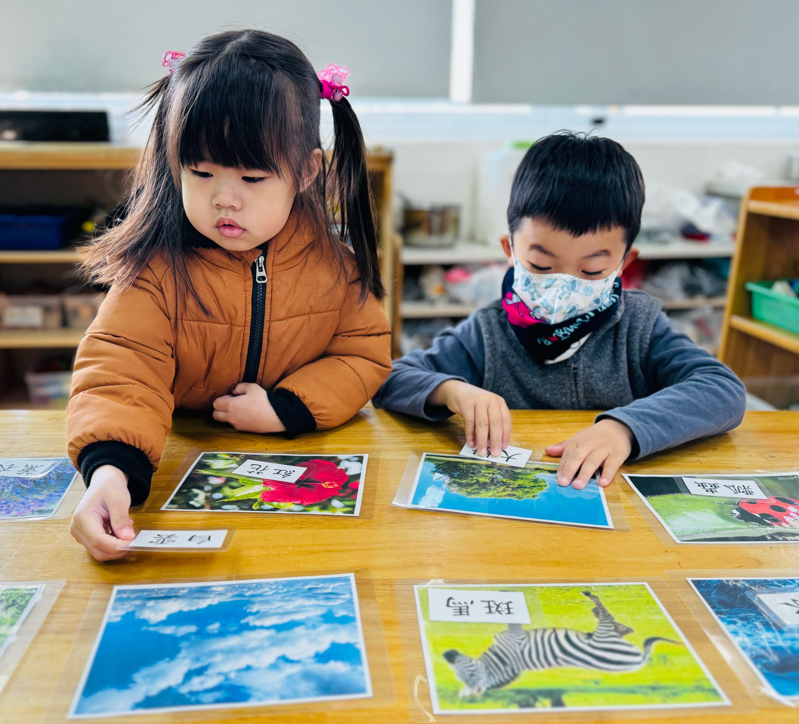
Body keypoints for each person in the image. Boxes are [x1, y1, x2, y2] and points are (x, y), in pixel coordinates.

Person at [67, 30, 391, 561]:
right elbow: (122, 371)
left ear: (306, 172)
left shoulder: (335, 266)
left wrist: (286, 408)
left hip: (300, 463)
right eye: (200, 172)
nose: (224, 198)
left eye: (253, 177)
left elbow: (364, 355)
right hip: (181, 459)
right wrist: (110, 472)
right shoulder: (155, 269)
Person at [374, 131, 745, 491]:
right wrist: (453, 391)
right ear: (510, 250)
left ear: (624, 263)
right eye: (541, 265)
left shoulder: (640, 328)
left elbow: (722, 390)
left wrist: (624, 429)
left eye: (592, 271)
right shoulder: (487, 331)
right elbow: (391, 378)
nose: (562, 286)